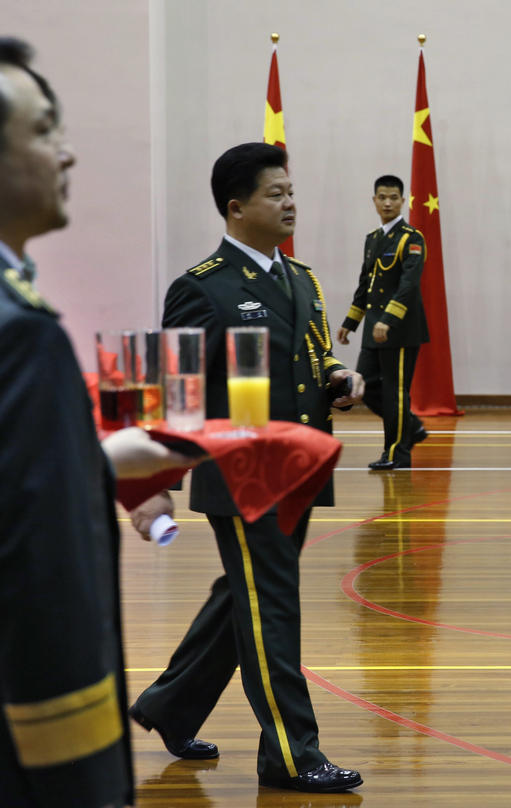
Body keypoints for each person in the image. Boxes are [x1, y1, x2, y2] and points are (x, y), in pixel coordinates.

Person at [128, 143, 366, 794]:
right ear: (236, 208)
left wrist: (338, 378)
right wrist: (156, 485)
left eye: (292, 192)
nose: (290, 203)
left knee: (245, 597)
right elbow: (173, 392)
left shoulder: (301, 280)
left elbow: (309, 363)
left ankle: (169, 706)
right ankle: (292, 754)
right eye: (275, 194)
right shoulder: (202, 287)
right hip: (240, 475)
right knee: (274, 606)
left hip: (300, 467)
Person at [0, 37, 197, 808]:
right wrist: (84, 769)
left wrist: (96, 459)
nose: (68, 153)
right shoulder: (21, 333)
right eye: (45, 129)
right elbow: (43, 570)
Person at [336, 174, 429, 470]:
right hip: (372, 328)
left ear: (403, 201)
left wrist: (388, 320)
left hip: (399, 330)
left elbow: (408, 284)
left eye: (393, 198)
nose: (387, 203)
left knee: (394, 391)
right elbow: (366, 285)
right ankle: (411, 427)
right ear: (374, 201)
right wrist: (350, 322)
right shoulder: (373, 239)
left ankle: (397, 454)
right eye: (382, 197)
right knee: (363, 386)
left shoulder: (411, 238)